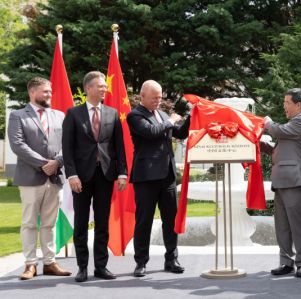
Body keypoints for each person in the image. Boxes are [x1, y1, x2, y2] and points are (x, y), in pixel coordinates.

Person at [62, 71, 127, 282]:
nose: (104, 89)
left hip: (105, 175)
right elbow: (68, 148)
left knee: (102, 223)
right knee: (81, 223)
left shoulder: (112, 113)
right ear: (89, 88)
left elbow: (119, 146)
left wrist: (122, 173)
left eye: (105, 86)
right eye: (100, 86)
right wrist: (71, 174)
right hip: (81, 177)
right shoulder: (73, 114)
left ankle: (101, 266)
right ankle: (82, 267)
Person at [8, 77, 71, 280]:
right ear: (32, 92)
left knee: (49, 223)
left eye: (50, 91)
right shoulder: (18, 116)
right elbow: (18, 145)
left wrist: (57, 162)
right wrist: (44, 164)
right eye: (45, 91)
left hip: (54, 178)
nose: (49, 95)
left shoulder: (59, 116)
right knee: (28, 223)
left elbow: (67, 144)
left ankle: (50, 262)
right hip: (30, 179)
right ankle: (30, 264)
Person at [127, 80, 190, 277]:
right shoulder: (134, 115)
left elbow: (180, 133)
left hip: (167, 176)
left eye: (160, 97)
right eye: (154, 97)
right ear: (142, 96)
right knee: (144, 221)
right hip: (146, 177)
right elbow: (151, 132)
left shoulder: (162, 115)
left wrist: (190, 117)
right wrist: (170, 121)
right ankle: (141, 262)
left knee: (170, 220)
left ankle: (171, 259)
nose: (158, 100)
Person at [260, 88, 301, 278]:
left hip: (295, 180)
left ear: (298, 104)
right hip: (282, 180)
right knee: (282, 224)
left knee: (298, 224)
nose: (284, 106)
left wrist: (267, 123)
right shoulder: (293, 124)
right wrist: (261, 145)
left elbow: (277, 130)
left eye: (287, 103)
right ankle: (286, 262)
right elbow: (280, 150)